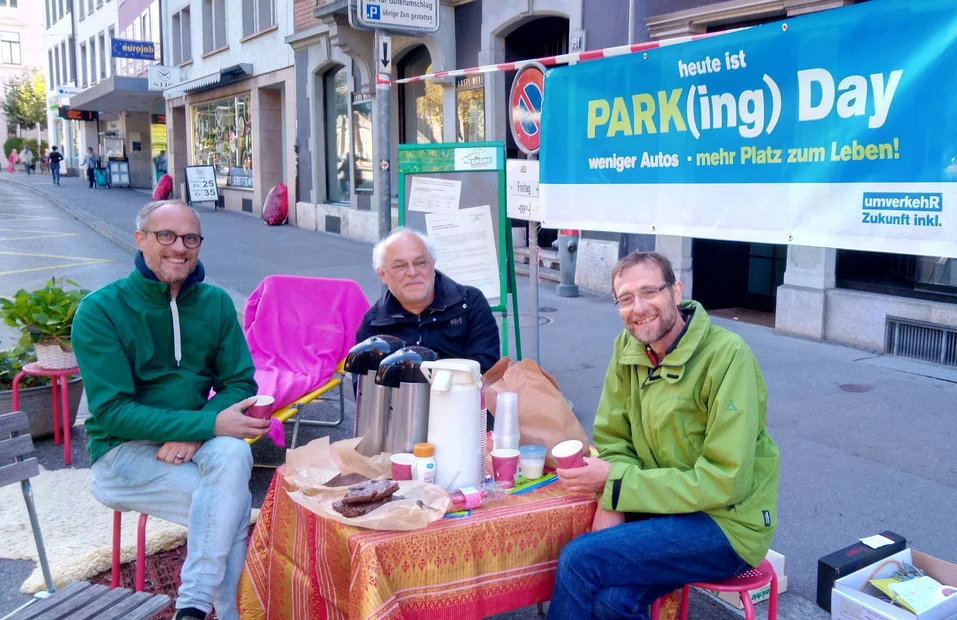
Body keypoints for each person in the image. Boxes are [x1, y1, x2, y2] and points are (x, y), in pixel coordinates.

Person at [547, 251, 780, 620]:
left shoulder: (727, 356)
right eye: (625, 298)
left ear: (676, 291)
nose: (638, 308)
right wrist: (614, 498)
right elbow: (613, 439)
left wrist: (617, 485)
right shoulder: (628, 348)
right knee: (612, 601)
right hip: (662, 509)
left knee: (580, 558)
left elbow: (726, 481)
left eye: (649, 292)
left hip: (726, 525)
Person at [72, 199, 271, 620]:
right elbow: (112, 412)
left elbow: (240, 382)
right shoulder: (101, 310)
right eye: (166, 236)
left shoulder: (214, 303)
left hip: (192, 441)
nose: (179, 247)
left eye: (190, 238)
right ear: (140, 239)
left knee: (235, 454)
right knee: (231, 511)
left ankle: (192, 608)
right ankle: (223, 611)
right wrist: (205, 423)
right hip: (121, 453)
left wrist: (196, 430)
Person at [355, 227, 500, 374]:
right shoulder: (373, 323)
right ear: (383, 274)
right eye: (400, 266)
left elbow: (486, 371)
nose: (412, 272)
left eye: (420, 262)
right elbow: (365, 388)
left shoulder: (470, 304)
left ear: (433, 264)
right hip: (399, 397)